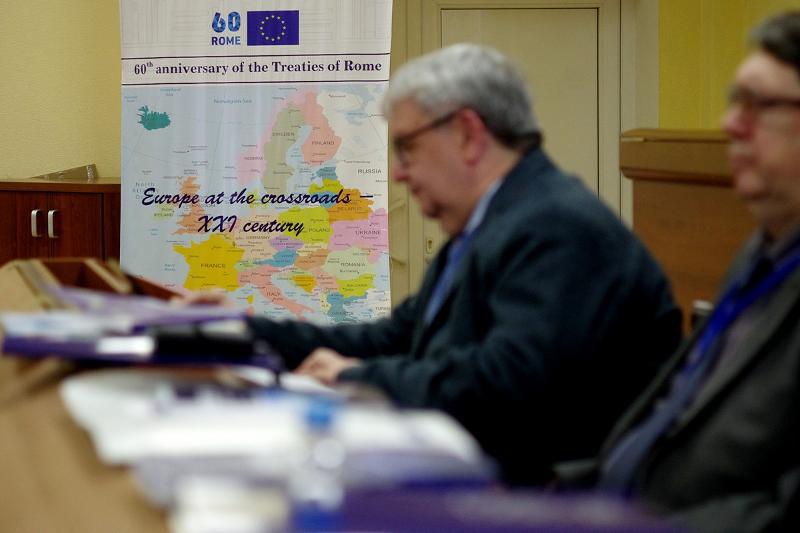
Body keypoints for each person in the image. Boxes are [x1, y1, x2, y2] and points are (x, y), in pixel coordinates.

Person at [244, 43, 681, 485]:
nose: (397, 172)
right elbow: (393, 339)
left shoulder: (558, 226)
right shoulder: (486, 227)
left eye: (407, 148)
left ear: (467, 134)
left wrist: (356, 376)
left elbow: (506, 385)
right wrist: (237, 331)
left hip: (546, 498)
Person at [561, 11, 800, 532]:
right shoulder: (759, 252)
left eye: (760, 105)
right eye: (734, 101)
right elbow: (670, 421)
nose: (729, 124)